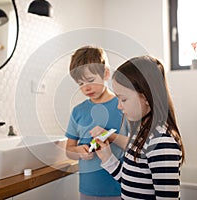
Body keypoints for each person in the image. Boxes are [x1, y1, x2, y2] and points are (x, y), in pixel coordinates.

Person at [93, 55, 185, 199]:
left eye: (123, 99)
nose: (119, 106)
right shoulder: (141, 135)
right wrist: (108, 158)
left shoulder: (161, 142)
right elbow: (131, 182)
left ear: (147, 98)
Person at [65, 46, 127, 200]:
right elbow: (69, 150)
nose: (86, 88)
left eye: (90, 80)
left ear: (106, 73)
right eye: (80, 84)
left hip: (119, 188)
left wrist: (109, 136)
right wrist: (79, 151)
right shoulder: (78, 111)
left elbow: (133, 146)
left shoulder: (123, 106)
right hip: (88, 189)